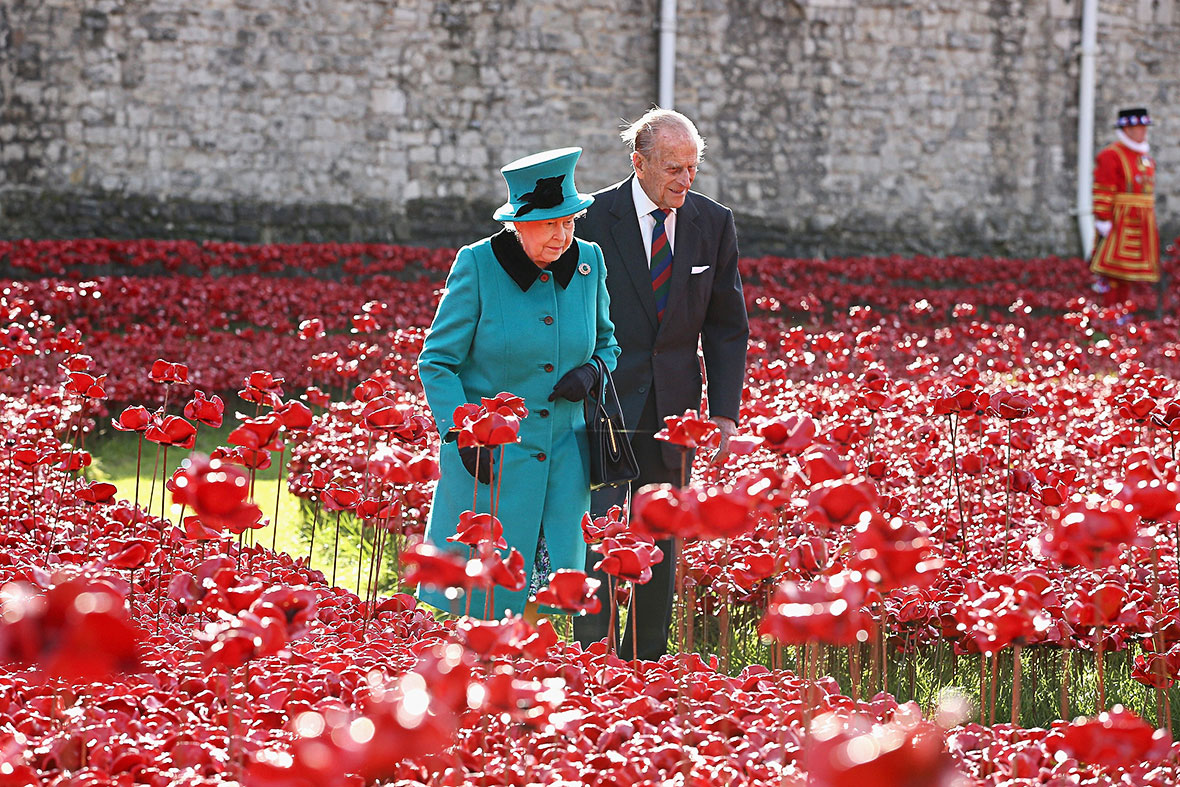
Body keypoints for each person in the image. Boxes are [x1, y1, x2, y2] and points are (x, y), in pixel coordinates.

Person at [573, 108, 749, 660]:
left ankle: (647, 657)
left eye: (693, 168)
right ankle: (593, 655)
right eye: (673, 167)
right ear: (638, 163)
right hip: (602, 403)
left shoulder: (713, 224)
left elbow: (727, 326)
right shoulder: (593, 218)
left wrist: (723, 412)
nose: (684, 180)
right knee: (599, 531)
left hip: (675, 407)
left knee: (662, 537)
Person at [417, 147, 620, 621]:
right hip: (492, 464)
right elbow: (437, 362)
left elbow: (608, 344)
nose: (563, 234)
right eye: (550, 223)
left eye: (570, 221)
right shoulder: (478, 266)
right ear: (518, 223)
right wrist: (461, 432)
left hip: (565, 466)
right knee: (482, 605)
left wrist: (591, 371)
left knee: (544, 608)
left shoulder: (589, 262)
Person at [1090, 107, 1160, 313]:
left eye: (1144, 128)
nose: (1143, 132)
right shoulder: (1111, 155)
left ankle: (1122, 314)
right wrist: (1102, 218)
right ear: (1127, 130)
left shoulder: (1144, 157)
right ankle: (1108, 313)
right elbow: (1103, 189)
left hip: (1142, 222)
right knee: (1113, 271)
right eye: (1139, 128)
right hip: (1120, 221)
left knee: (1128, 274)